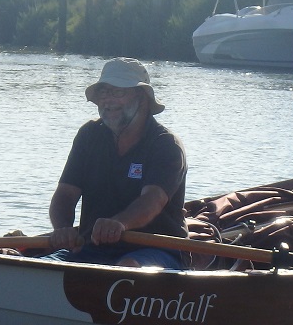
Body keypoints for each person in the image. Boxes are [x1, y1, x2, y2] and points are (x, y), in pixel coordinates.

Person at [47, 57, 188, 269]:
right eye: (103, 92)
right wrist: (62, 229)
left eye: (118, 92)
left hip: (158, 250)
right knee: (37, 263)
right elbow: (65, 195)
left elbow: (152, 201)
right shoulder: (89, 135)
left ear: (142, 97)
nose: (108, 100)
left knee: (127, 266)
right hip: (92, 248)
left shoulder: (166, 145)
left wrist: (121, 223)